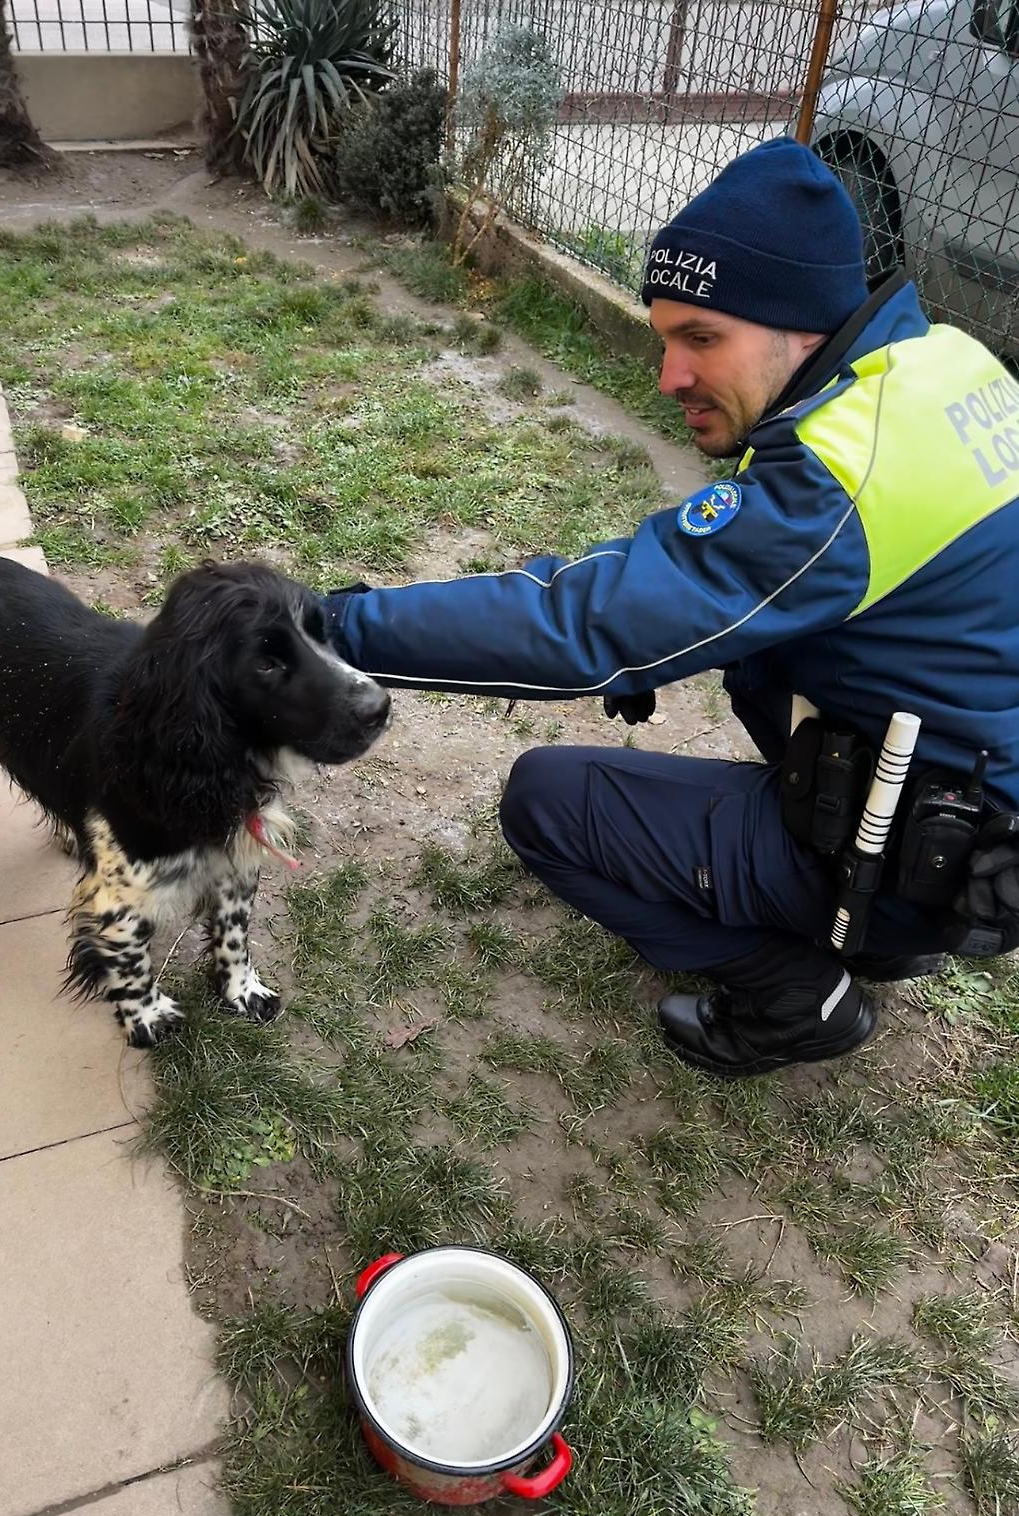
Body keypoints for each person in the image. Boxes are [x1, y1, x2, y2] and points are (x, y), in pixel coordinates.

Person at [324, 137, 1019, 1079]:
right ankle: (885, 932)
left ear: (800, 325)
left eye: (702, 337)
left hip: (924, 851)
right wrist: (674, 646)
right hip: (977, 820)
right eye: (665, 338)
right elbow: (823, 604)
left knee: (546, 802)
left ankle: (796, 993)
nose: (669, 377)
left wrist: (329, 630)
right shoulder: (944, 363)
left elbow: (576, 624)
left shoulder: (833, 484)